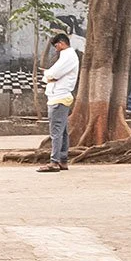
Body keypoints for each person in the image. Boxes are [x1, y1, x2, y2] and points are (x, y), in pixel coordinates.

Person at [38, 33, 79, 173]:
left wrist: (48, 75)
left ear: (62, 43)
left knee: (55, 132)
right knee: (63, 132)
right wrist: (50, 75)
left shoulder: (68, 56)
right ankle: (63, 160)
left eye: (56, 46)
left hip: (59, 97)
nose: (56, 49)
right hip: (60, 97)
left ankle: (54, 162)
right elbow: (53, 74)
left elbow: (53, 74)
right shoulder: (67, 56)